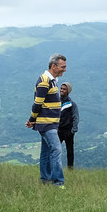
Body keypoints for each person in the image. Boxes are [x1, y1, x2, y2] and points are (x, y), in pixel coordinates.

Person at [26, 53, 67, 188]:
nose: (64, 70)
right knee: (56, 149)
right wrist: (32, 119)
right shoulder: (45, 81)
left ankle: (45, 179)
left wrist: (33, 120)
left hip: (49, 122)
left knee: (46, 152)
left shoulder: (52, 80)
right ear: (54, 66)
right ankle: (58, 182)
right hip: (47, 123)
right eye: (62, 67)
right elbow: (37, 103)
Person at [59, 82, 79, 169]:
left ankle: (70, 169)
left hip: (68, 131)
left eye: (64, 89)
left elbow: (76, 117)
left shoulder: (72, 104)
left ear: (68, 91)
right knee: (56, 150)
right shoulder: (56, 102)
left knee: (70, 151)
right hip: (58, 130)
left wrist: (73, 130)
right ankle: (56, 167)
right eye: (61, 88)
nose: (62, 90)